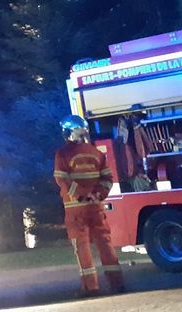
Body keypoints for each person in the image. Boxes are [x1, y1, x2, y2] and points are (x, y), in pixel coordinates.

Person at [54, 115, 126, 297]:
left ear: (68, 133)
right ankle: (117, 283)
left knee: (82, 246)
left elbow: (62, 179)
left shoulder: (63, 154)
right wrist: (97, 195)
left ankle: (90, 286)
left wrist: (81, 194)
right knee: (105, 243)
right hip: (96, 207)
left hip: (75, 208)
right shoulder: (97, 153)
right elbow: (108, 179)